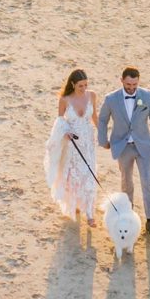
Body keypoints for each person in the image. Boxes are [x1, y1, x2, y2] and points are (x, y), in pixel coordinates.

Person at [98, 66, 150, 236]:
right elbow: (102, 119)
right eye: (128, 84)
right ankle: (127, 216)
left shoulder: (147, 96)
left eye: (134, 84)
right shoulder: (111, 99)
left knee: (147, 181)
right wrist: (103, 141)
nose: (131, 88)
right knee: (126, 182)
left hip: (144, 145)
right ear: (121, 80)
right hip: (123, 146)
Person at [44, 68, 98, 227]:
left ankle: (90, 213)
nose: (84, 89)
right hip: (72, 143)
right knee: (74, 176)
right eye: (80, 86)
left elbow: (95, 117)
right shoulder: (64, 100)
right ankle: (75, 204)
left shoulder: (92, 95)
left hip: (88, 142)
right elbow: (60, 122)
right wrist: (65, 133)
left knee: (89, 173)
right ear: (73, 84)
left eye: (86, 85)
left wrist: (103, 134)